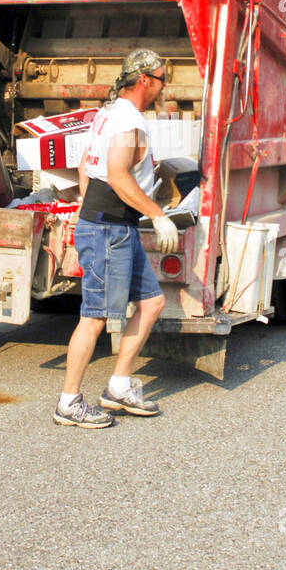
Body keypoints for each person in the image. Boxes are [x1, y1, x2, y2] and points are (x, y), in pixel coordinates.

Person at [56, 48, 180, 429]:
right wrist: (159, 216)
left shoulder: (108, 113)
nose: (163, 86)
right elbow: (118, 175)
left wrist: (83, 212)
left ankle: (119, 387)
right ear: (145, 80)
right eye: (161, 79)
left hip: (111, 224)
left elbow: (85, 168)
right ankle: (69, 402)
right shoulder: (128, 121)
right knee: (94, 318)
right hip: (110, 227)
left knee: (152, 301)